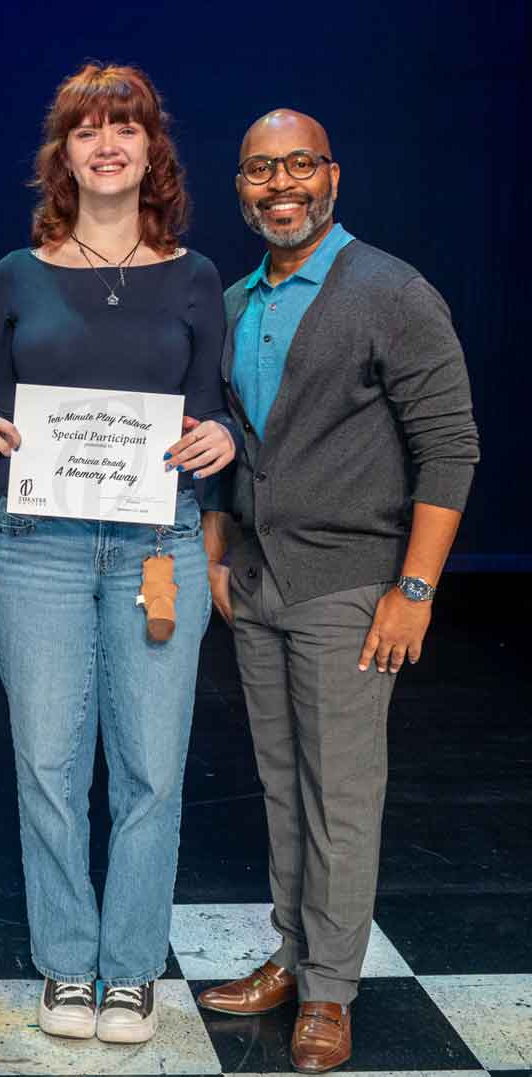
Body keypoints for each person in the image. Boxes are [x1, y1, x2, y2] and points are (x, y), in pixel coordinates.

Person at [196, 110, 479, 1074]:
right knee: (283, 781)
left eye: (299, 166)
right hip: (259, 581)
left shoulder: (390, 291)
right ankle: (290, 952)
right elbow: (237, 448)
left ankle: (330, 990)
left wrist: (416, 587)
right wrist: (214, 547)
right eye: (260, 170)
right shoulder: (235, 301)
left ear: (333, 175)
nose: (281, 184)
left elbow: (450, 447)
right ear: (241, 187)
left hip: (353, 582)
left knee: (342, 791)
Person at [0, 63, 237, 1044]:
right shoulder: (16, 275)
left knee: (152, 771)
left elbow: (212, 409)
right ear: (64, 153)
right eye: (89, 130)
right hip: (39, 546)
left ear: (151, 148)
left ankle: (131, 970)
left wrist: (225, 440)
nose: (108, 144)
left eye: (127, 127)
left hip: (156, 543)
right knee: (45, 763)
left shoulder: (198, 275)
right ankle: (67, 968)